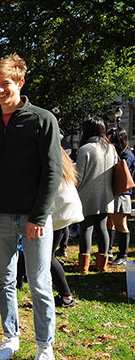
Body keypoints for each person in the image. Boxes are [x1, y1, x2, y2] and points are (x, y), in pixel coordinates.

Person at [0, 54, 62, 360]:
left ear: (20, 82)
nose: (0, 90)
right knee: (4, 281)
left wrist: (38, 215)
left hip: (34, 218)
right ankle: (10, 336)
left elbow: (53, 171)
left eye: (5, 84)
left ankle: (45, 348)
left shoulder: (42, 119)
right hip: (0, 215)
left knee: (39, 282)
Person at [75, 117, 118, 273]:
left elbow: (78, 177)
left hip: (87, 194)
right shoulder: (111, 148)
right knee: (102, 229)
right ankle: (102, 265)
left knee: (86, 228)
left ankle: (83, 266)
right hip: (107, 194)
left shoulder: (85, 149)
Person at [50, 148, 82, 307]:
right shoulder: (62, 156)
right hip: (66, 208)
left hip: (59, 209)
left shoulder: (48, 153)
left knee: (47, 257)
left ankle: (66, 296)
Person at [106, 127, 135, 266]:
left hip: (122, 194)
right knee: (109, 222)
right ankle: (109, 251)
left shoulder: (127, 155)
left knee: (121, 224)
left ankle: (123, 254)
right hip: (112, 192)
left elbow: (122, 171)